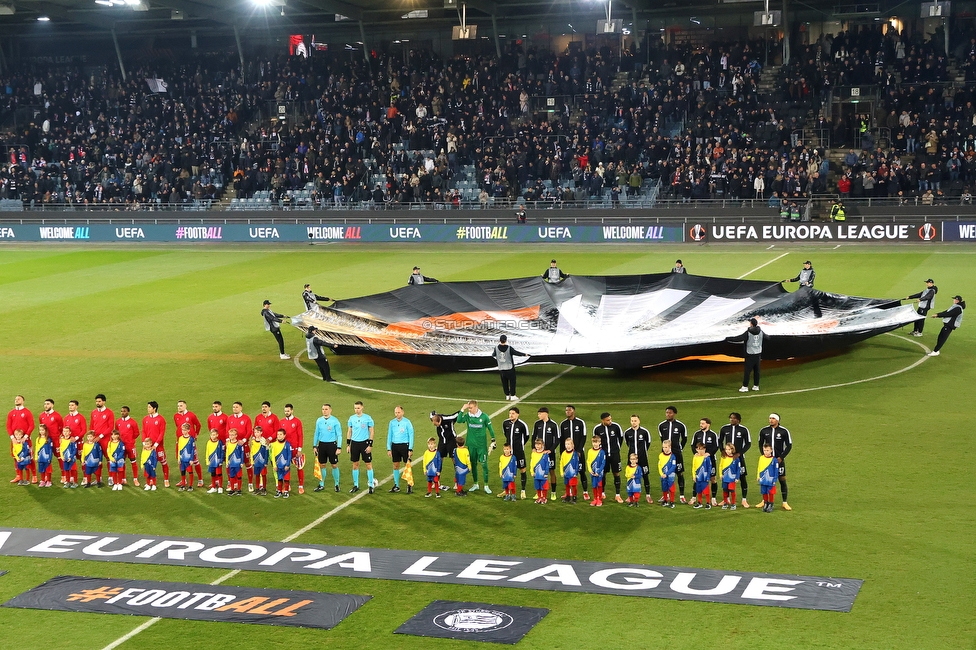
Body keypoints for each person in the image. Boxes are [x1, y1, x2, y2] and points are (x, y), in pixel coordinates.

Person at [457, 400, 496, 494]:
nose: (469, 409)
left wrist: (493, 439)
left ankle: (486, 485)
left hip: (481, 446)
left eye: (470, 408)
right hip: (471, 445)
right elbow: (458, 420)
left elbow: (490, 428)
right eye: (468, 408)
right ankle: (476, 484)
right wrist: (462, 409)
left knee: (484, 465)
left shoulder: (484, 417)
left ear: (476, 407)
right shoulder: (468, 416)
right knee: (473, 464)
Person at [758, 413, 793, 511]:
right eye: (770, 418)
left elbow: (789, 445)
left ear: (777, 420)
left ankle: (784, 502)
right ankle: (764, 501)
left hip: (778, 460)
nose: (771, 420)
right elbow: (760, 443)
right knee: (765, 480)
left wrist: (781, 457)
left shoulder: (784, 431)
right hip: (767, 461)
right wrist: (764, 455)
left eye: (773, 418)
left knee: (782, 479)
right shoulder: (764, 430)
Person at [719, 412, 752, 508]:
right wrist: (722, 450)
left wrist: (739, 453)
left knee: (742, 477)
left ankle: (744, 500)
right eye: (730, 418)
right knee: (726, 478)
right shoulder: (724, 428)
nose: (731, 420)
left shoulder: (743, 430)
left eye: (734, 418)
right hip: (727, 458)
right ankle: (726, 500)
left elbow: (748, 443)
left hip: (739, 458)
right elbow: (719, 440)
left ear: (739, 420)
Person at [657, 406, 688, 504]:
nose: (668, 414)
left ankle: (682, 496)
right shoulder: (661, 425)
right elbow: (662, 439)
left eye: (670, 413)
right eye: (666, 413)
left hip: (677, 453)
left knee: (679, 473)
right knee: (665, 474)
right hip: (666, 454)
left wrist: (680, 448)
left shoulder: (681, 426)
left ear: (674, 413)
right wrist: (665, 449)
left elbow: (685, 438)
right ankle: (665, 495)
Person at [726, 318, 765, 392]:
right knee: (757, 371)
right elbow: (767, 338)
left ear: (751, 324)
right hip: (758, 354)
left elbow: (738, 338)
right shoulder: (761, 332)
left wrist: (728, 338)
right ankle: (756, 386)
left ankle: (745, 386)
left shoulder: (748, 332)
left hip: (750, 354)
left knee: (747, 371)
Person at [594, 412, 625, 503]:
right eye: (607, 420)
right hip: (603, 455)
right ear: (603, 420)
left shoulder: (616, 426)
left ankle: (617, 495)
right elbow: (596, 440)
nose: (610, 421)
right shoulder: (597, 429)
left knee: (616, 473)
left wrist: (616, 448)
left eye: (610, 419)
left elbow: (620, 438)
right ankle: (602, 493)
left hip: (615, 454)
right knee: (603, 473)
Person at [559, 405, 588, 500]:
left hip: (578, 453)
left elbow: (583, 437)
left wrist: (579, 450)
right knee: (568, 473)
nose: (567, 411)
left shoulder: (580, 423)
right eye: (566, 410)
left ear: (573, 411)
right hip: (567, 454)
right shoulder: (563, 424)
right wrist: (562, 453)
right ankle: (569, 492)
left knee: (581, 471)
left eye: (569, 410)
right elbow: (561, 439)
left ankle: (585, 492)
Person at [346, 401, 375, 494]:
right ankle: (356, 485)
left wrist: (370, 445)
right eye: (355, 408)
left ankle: (371, 485)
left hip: (364, 443)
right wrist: (348, 444)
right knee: (355, 465)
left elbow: (371, 431)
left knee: (368, 464)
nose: (356, 410)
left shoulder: (368, 418)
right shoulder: (351, 418)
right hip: (354, 443)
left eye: (358, 408)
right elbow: (349, 431)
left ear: (362, 408)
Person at [502, 406, 530, 499]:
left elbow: (526, 436)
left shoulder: (522, 425)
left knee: (522, 470)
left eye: (513, 413)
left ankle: (523, 490)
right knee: (507, 471)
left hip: (518, 452)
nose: (511, 415)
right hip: (508, 453)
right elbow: (505, 434)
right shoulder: (505, 423)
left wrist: (520, 445)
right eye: (510, 413)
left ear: (517, 414)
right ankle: (506, 491)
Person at [624, 414, 653, 502]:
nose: (634, 422)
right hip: (632, 459)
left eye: (635, 420)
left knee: (645, 475)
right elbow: (627, 443)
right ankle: (631, 496)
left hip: (642, 458)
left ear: (639, 421)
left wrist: (642, 453)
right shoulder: (627, 432)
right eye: (632, 421)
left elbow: (648, 443)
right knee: (630, 476)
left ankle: (648, 495)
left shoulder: (644, 432)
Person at [314, 403, 343, 492]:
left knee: (334, 465)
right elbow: (316, 433)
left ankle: (337, 484)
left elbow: (340, 435)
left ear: (330, 410)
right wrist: (314, 445)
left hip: (332, 445)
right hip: (322, 445)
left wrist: (339, 447)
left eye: (326, 409)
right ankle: (321, 484)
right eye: (323, 409)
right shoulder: (319, 420)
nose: (324, 411)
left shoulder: (335, 421)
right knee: (322, 465)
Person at [692, 418, 720, 506]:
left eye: (703, 423)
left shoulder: (713, 435)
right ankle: (694, 497)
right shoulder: (697, 434)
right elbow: (693, 445)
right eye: (700, 423)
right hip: (699, 461)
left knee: (713, 479)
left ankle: (713, 498)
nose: (701, 425)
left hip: (710, 459)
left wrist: (709, 453)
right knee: (697, 478)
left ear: (708, 424)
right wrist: (696, 453)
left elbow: (716, 446)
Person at [7, 395, 36, 484]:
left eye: (18, 399)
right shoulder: (11, 413)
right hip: (15, 440)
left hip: (25, 440)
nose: (16, 400)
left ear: (23, 401)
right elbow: (8, 426)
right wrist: (12, 438)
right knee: (16, 457)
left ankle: (34, 475)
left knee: (29, 457)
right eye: (15, 399)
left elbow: (31, 425)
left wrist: (25, 437)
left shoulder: (27, 412)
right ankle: (18, 475)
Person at [387, 405, 415, 494]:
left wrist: (410, 448)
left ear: (402, 412)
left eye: (398, 412)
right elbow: (389, 435)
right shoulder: (392, 423)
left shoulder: (407, 422)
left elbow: (411, 435)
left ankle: (409, 485)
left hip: (405, 446)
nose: (397, 414)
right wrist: (388, 448)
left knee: (407, 465)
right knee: (395, 465)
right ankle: (396, 485)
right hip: (395, 446)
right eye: (396, 412)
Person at [173, 400, 202, 487]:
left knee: (195, 461)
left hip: (189, 443)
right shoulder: (176, 416)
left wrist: (196, 434)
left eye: (181, 406)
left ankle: (200, 480)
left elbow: (198, 425)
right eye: (178, 406)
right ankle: (184, 480)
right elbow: (178, 427)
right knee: (181, 461)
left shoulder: (191, 415)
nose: (179, 407)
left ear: (185, 406)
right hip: (180, 441)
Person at [532, 407, 558, 499]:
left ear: (545, 414)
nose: (538, 415)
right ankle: (539, 493)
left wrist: (550, 450)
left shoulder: (553, 424)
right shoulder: (537, 424)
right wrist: (533, 448)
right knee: (537, 471)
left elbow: (557, 439)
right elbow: (533, 436)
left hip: (549, 453)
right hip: (539, 453)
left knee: (551, 471)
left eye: (540, 414)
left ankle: (553, 492)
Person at [227, 402, 254, 491]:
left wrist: (244, 440)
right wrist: (228, 440)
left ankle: (250, 483)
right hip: (232, 445)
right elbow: (227, 430)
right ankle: (234, 484)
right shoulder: (230, 418)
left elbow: (249, 431)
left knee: (247, 463)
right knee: (233, 464)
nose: (235, 408)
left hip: (243, 445)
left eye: (236, 407)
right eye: (233, 407)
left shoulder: (246, 418)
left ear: (241, 408)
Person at [430, 410, 459, 491]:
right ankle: (436, 481)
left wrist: (463, 409)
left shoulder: (448, 418)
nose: (436, 426)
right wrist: (433, 413)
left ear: (440, 421)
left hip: (451, 441)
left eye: (437, 424)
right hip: (442, 441)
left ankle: (457, 482)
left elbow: (456, 414)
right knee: (439, 460)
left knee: (454, 460)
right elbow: (431, 413)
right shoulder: (433, 418)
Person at [493, 334, 528, 401]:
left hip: (501, 368)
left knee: (504, 382)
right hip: (509, 368)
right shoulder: (509, 348)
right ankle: (512, 395)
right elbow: (516, 353)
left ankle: (507, 395)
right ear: (506, 340)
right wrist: (524, 354)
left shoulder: (496, 348)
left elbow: (493, 355)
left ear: (500, 340)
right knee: (512, 382)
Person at [142, 401, 169, 488]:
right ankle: (150, 481)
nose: (148, 409)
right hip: (148, 447)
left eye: (150, 407)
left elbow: (162, 433)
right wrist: (144, 444)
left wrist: (156, 445)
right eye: (148, 407)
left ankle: (166, 480)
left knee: (163, 462)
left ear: (154, 408)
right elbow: (143, 431)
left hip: (158, 447)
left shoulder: (161, 419)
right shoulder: (145, 419)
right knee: (148, 464)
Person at [90, 394, 114, 487]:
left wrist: (100, 436)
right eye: (96, 401)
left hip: (105, 439)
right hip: (95, 440)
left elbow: (111, 427)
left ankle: (111, 478)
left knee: (109, 458)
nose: (98, 403)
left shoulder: (109, 413)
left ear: (104, 402)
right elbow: (92, 426)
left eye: (99, 401)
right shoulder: (93, 412)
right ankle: (98, 479)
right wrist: (91, 436)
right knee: (96, 459)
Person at [281, 404, 305, 494]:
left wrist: (299, 449)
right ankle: (288, 486)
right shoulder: (281, 422)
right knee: (285, 467)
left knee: (299, 467)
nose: (286, 412)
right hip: (285, 449)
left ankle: (301, 486)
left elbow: (300, 435)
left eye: (288, 411)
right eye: (285, 411)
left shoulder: (297, 421)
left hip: (295, 449)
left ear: (292, 411)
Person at [39, 399, 63, 483]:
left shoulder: (57, 415)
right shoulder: (41, 415)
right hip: (46, 440)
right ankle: (46, 476)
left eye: (48, 404)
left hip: (55, 439)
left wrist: (59, 436)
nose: (46, 405)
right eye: (45, 404)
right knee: (46, 457)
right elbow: (42, 428)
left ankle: (63, 475)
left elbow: (61, 426)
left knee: (60, 457)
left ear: (52, 405)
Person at [757, 443, 780, 513]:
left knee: (771, 492)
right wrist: (758, 476)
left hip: (771, 479)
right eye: (764, 450)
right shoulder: (761, 458)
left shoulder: (774, 460)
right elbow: (759, 467)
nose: (766, 452)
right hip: (763, 479)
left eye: (767, 450)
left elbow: (776, 471)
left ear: (771, 450)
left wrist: (775, 479)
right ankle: (765, 503)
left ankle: (771, 504)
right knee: (764, 492)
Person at [271, 428, 293, 498]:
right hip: (278, 466)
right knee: (279, 479)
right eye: (278, 434)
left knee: (286, 479)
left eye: (281, 434)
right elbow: (273, 456)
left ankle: (286, 492)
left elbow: (289, 455)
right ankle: (279, 491)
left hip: (285, 466)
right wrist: (274, 465)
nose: (279, 436)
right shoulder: (274, 445)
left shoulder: (287, 444)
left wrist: (288, 465)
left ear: (284, 436)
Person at [718, 442, 740, 509]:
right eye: (726, 449)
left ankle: (733, 503)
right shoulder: (723, 457)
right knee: (725, 490)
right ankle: (725, 502)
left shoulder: (736, 458)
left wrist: (737, 477)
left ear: (732, 450)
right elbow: (720, 466)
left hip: (732, 478)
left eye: (729, 449)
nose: (727, 451)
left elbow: (738, 469)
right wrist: (720, 474)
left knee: (732, 491)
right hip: (725, 477)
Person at [586, 435, 606, 507]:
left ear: (599, 442)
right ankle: (595, 499)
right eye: (593, 442)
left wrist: (599, 471)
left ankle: (599, 499)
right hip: (593, 472)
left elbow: (603, 462)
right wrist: (590, 470)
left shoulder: (602, 452)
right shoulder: (590, 451)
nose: (595, 444)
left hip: (599, 473)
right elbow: (588, 461)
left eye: (596, 442)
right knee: (594, 485)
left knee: (599, 485)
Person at [691, 442, 713, 509]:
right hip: (698, 477)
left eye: (702, 449)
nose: (700, 451)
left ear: (705, 449)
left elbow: (709, 467)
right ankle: (699, 502)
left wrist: (708, 476)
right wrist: (694, 476)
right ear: (696, 449)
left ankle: (708, 503)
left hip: (705, 477)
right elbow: (693, 467)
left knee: (706, 491)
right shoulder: (695, 457)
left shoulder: (707, 458)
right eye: (699, 449)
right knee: (699, 490)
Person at [530, 437, 551, 504]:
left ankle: (544, 498)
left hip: (543, 474)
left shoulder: (545, 454)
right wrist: (532, 471)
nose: (537, 446)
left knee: (544, 486)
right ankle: (539, 497)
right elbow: (532, 463)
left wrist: (546, 473)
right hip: (536, 474)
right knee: (537, 486)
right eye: (536, 444)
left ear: (542, 445)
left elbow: (547, 464)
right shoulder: (533, 454)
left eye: (539, 444)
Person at [559, 438, 580, 503]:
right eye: (566, 444)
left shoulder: (575, 454)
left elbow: (577, 464)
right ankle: (568, 496)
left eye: (569, 444)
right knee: (567, 485)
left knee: (573, 485)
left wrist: (575, 473)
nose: (567, 446)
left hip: (573, 473)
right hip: (566, 473)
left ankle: (574, 497)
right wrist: (561, 472)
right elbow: (561, 463)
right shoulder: (563, 453)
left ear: (572, 445)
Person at [177, 423, 196, 492]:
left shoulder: (191, 439)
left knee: (190, 472)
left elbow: (192, 450)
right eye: (182, 430)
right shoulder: (180, 438)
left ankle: (190, 486)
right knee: (183, 472)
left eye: (185, 430)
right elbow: (179, 449)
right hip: (182, 459)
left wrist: (191, 459)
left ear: (188, 430)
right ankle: (183, 485)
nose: (183, 431)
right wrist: (179, 458)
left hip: (188, 460)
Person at [205, 429, 225, 494]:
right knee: (213, 474)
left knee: (219, 474)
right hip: (211, 461)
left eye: (214, 435)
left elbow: (222, 452)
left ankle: (220, 487)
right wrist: (207, 461)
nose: (213, 436)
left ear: (217, 435)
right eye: (212, 435)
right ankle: (213, 487)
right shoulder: (208, 442)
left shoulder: (220, 442)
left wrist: (221, 461)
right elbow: (207, 452)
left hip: (218, 462)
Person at [225, 429, 245, 496]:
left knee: (239, 476)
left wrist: (242, 462)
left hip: (238, 463)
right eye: (230, 435)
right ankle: (232, 489)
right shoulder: (228, 443)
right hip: (231, 463)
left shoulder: (239, 444)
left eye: (232, 435)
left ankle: (239, 489)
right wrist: (227, 462)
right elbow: (227, 453)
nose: (231, 436)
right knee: (232, 476)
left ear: (236, 435)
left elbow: (242, 453)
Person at [658, 439, 677, 508]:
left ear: (669, 447)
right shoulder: (660, 455)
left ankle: (672, 501)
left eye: (666, 447)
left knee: (671, 488)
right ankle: (665, 500)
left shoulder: (673, 456)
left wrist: (667, 474)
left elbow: (673, 466)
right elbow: (659, 465)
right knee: (664, 487)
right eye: (663, 447)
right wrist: (661, 474)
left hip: (670, 475)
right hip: (663, 475)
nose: (664, 449)